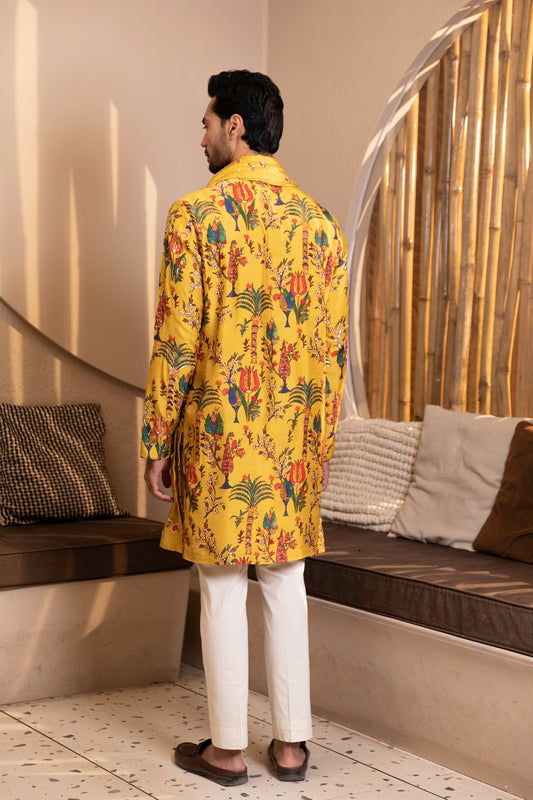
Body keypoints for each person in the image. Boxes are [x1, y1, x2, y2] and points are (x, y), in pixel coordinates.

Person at [141, 69, 348, 787]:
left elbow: (176, 337)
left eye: (206, 123)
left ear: (235, 127)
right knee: (286, 579)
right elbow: (333, 349)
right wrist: (321, 445)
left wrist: (156, 439)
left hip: (219, 436)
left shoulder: (195, 215)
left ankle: (227, 750)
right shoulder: (320, 223)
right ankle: (290, 746)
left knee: (223, 582)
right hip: (293, 439)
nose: (200, 137)